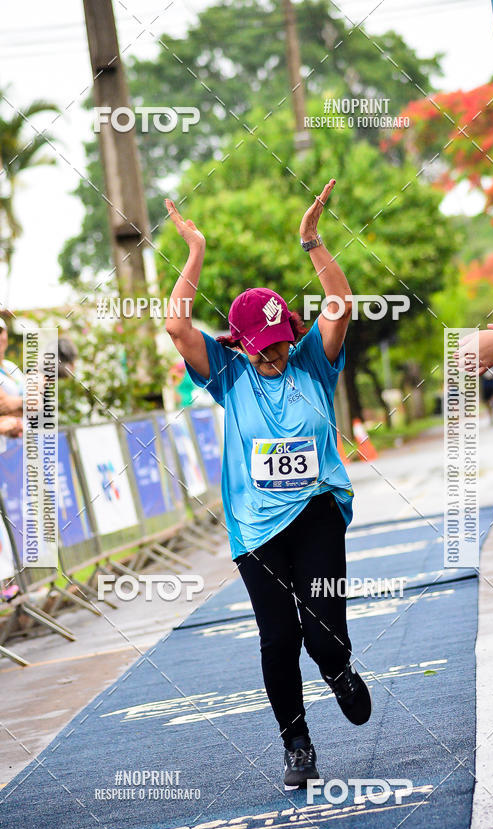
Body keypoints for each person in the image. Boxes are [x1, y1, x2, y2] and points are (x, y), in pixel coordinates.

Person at [164, 179, 371, 791]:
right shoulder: (227, 376)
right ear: (241, 346)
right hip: (255, 527)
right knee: (278, 637)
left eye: (279, 344)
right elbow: (177, 326)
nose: (272, 355)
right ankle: (297, 744)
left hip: (316, 512)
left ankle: (338, 671)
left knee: (323, 633)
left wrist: (312, 241)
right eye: (261, 348)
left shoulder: (314, 361)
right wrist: (194, 250)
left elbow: (341, 302)